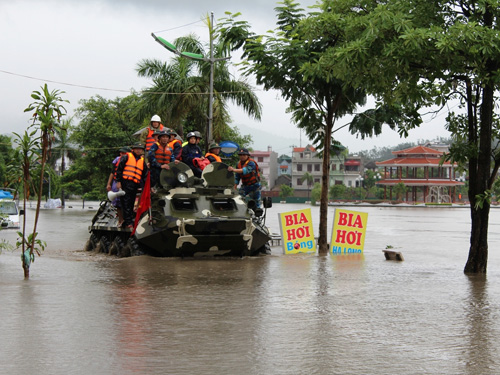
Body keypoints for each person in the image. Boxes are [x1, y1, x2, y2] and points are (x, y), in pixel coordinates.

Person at [115, 143, 148, 228]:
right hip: (125, 182)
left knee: (131, 203)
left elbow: (145, 175)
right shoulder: (126, 157)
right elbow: (119, 170)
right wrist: (118, 182)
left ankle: (129, 221)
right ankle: (128, 222)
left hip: (134, 184)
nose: (138, 150)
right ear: (133, 149)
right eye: (137, 149)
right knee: (125, 202)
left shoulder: (142, 161)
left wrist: (145, 186)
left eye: (140, 149)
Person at [106, 146, 130, 226]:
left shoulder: (131, 161)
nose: (122, 154)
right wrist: (109, 183)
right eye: (121, 153)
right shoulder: (117, 160)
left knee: (127, 201)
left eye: (124, 153)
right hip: (117, 182)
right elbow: (113, 172)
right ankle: (120, 219)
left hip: (128, 182)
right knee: (117, 201)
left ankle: (127, 219)